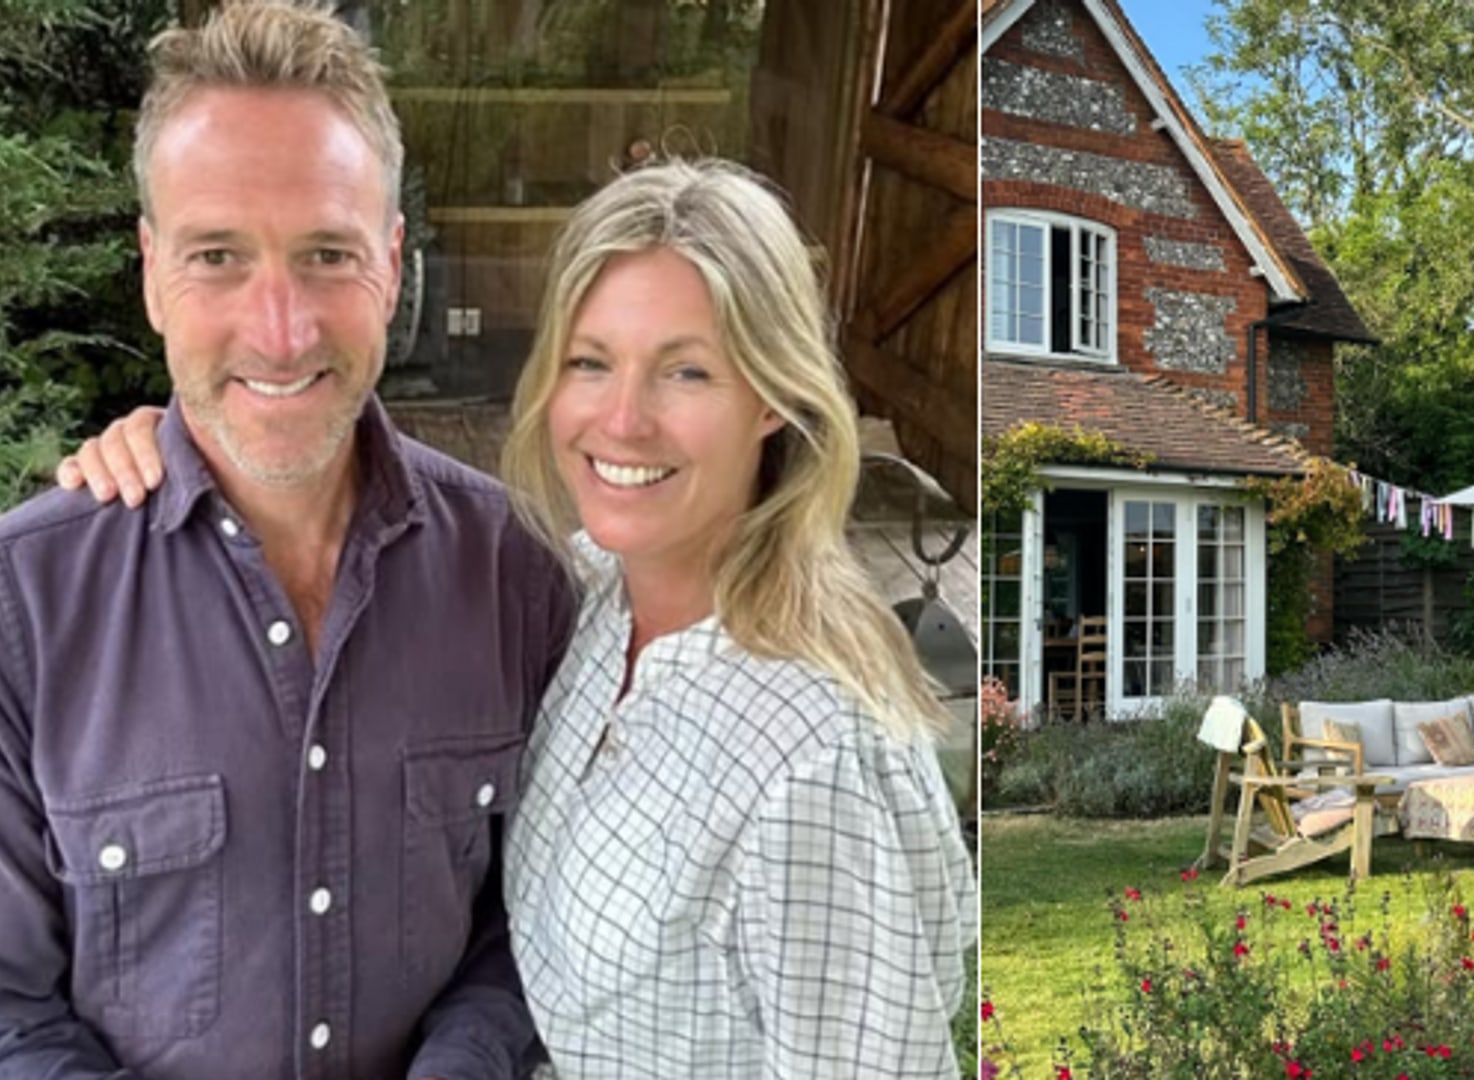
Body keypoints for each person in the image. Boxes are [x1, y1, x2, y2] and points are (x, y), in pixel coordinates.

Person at [61, 160, 980, 1074]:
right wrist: (202, 440)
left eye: (687, 371)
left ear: (773, 396)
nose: (621, 420)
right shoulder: (580, 596)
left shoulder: (811, 760)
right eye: (591, 362)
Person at [0, 3, 572, 1078]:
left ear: (393, 265)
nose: (281, 329)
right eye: (218, 255)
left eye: (326, 255)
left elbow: (531, 922)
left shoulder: (514, 575)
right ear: (151, 271)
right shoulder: (25, 606)